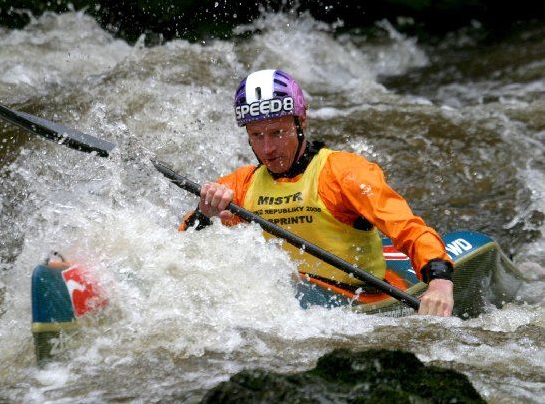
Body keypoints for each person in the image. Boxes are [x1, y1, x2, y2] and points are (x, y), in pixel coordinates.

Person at [181, 69, 454, 317]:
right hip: (288, 299)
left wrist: (440, 283)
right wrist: (204, 214)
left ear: (301, 121)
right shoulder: (240, 185)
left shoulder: (343, 172)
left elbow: (407, 228)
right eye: (256, 135)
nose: (267, 149)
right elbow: (180, 253)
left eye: (277, 133)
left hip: (357, 296)